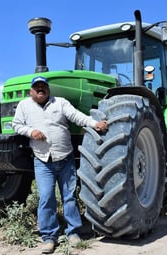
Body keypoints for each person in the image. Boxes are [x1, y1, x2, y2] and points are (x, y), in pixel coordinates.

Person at [12, 76, 107, 254]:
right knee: (46, 197)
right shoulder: (24, 106)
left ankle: (73, 233)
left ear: (48, 89)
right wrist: (31, 131)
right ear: (31, 91)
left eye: (43, 86)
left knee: (69, 197)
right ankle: (49, 237)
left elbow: (77, 117)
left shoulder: (60, 103)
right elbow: (16, 125)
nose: (41, 89)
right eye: (37, 87)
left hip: (65, 158)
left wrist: (95, 124)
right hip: (42, 160)